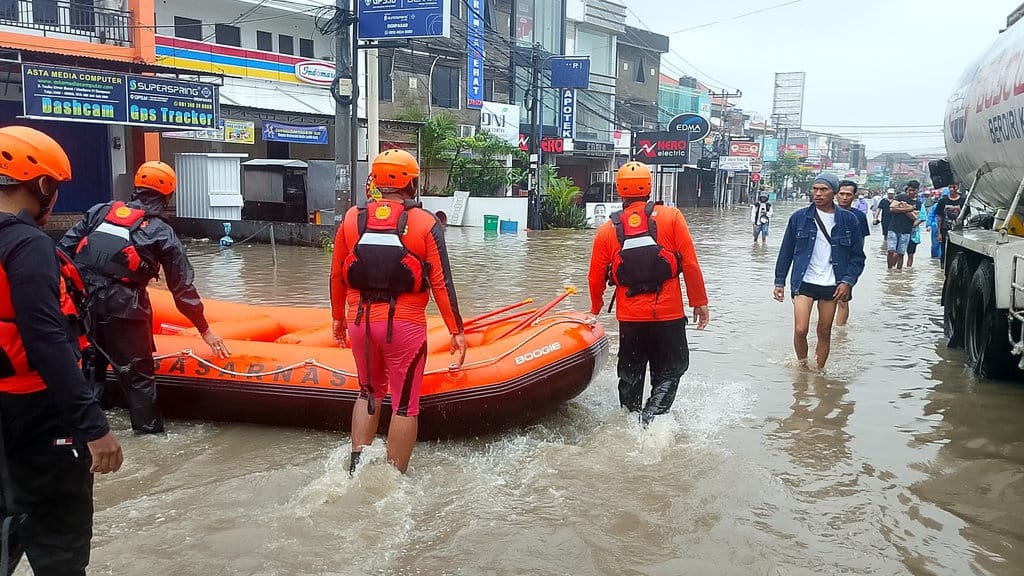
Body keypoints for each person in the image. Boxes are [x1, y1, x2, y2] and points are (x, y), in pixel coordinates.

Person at [0, 126, 123, 574]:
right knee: (60, 550)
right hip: (39, 415)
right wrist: (93, 427)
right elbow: (46, 339)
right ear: (43, 185)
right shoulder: (27, 244)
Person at [59, 161, 228, 434]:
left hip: (83, 307)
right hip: (126, 310)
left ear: (136, 187)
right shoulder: (162, 232)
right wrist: (205, 330)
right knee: (138, 380)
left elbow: (61, 254)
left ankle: (84, 434)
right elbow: (182, 288)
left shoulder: (99, 212)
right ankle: (149, 437)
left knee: (89, 371)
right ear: (168, 195)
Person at [331, 149, 466, 474]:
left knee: (368, 392)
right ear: (411, 182)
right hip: (404, 327)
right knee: (405, 406)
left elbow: (337, 274)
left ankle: (356, 470)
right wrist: (456, 330)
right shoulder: (424, 223)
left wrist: (337, 318)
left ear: (376, 180)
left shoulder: (352, 218)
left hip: (360, 322)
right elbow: (441, 283)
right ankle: (393, 481)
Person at [587, 162, 709, 426]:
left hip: (630, 318)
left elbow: (595, 275)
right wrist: (699, 302)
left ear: (619, 191)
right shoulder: (672, 217)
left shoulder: (607, 230)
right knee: (670, 370)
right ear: (650, 187)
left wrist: (595, 309)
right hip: (669, 314)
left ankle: (629, 422)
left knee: (630, 374)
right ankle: (651, 419)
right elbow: (689, 263)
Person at [773, 173, 866, 370]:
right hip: (804, 281)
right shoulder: (799, 218)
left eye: (823, 190)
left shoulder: (850, 221)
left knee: (824, 331)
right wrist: (779, 281)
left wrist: (847, 282)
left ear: (833, 193)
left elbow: (858, 257)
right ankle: (803, 367)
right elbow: (786, 251)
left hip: (832, 284)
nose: (818, 193)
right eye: (815, 189)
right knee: (800, 329)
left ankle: (819, 371)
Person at [835, 180, 870, 327]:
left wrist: (853, 267)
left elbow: (860, 244)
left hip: (847, 263)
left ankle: (839, 333)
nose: (844, 197)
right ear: (836, 194)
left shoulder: (859, 217)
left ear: (854, 196)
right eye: (841, 194)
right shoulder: (826, 213)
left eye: (848, 194)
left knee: (843, 299)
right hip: (826, 261)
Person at [886, 180, 922, 270]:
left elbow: (914, 217)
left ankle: (898, 271)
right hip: (893, 228)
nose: (911, 192)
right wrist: (909, 208)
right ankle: (889, 270)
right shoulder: (900, 197)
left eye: (913, 190)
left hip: (906, 230)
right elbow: (891, 209)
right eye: (909, 190)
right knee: (890, 250)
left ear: (917, 190)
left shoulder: (918, 203)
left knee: (901, 253)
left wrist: (902, 207)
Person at [935, 182, 966, 267]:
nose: (952, 189)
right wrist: (939, 233)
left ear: (958, 187)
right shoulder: (943, 201)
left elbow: (966, 217)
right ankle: (942, 268)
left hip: (959, 231)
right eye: (950, 187)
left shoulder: (963, 201)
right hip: (945, 229)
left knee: (958, 250)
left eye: (954, 187)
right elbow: (939, 217)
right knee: (944, 250)